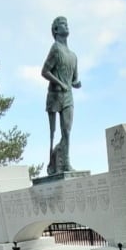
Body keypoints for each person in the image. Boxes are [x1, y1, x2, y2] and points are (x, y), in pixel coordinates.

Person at [42, 16, 81, 175]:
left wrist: (75, 83)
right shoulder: (55, 48)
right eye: (62, 24)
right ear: (56, 30)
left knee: (67, 130)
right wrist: (60, 83)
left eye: (67, 23)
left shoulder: (73, 56)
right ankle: (54, 162)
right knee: (53, 132)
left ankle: (64, 161)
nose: (66, 26)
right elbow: (44, 71)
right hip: (55, 95)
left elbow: (74, 79)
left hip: (68, 96)